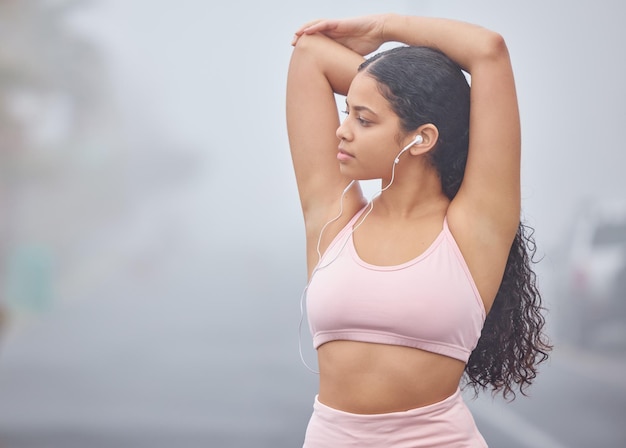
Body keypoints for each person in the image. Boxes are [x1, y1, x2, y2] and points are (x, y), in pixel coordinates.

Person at [286, 13, 552, 448]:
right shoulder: (334, 217)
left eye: (364, 120)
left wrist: (383, 29)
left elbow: (488, 51)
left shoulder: (473, 228)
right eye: (345, 113)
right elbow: (309, 54)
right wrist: (384, 84)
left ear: (421, 138)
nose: (341, 131)